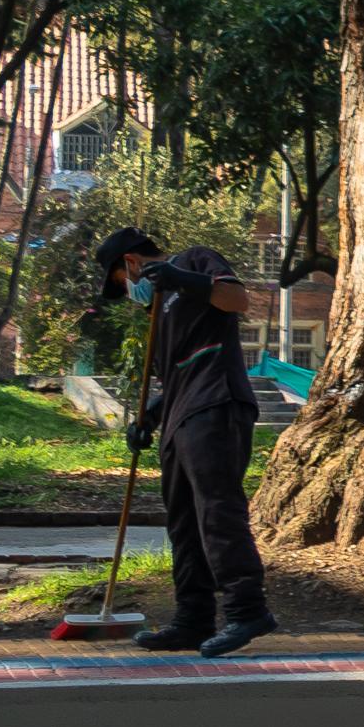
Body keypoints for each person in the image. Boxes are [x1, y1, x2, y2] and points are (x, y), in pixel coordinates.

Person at [110, 241, 278, 657]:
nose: (130, 293)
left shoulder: (195, 261)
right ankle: (193, 618)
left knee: (216, 511)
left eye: (121, 282)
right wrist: (150, 415)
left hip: (216, 404)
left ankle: (247, 609)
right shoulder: (160, 310)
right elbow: (179, 373)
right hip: (181, 416)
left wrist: (182, 279)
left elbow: (237, 299)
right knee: (183, 523)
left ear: (131, 262)